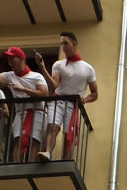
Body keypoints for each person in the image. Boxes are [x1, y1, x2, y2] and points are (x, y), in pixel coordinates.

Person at [0, 48, 49, 162]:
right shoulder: (9, 76)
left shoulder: (36, 77)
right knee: (18, 141)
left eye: (12, 58)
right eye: (8, 59)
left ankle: (31, 169)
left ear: (21, 59)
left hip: (37, 112)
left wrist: (23, 89)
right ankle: (17, 168)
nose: (9, 62)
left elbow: (44, 93)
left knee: (34, 141)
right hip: (20, 113)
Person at [36, 32, 98, 162]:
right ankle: (47, 152)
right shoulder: (58, 64)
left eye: (65, 43)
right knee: (53, 127)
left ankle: (66, 161)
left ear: (74, 43)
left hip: (74, 104)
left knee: (69, 135)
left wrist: (84, 100)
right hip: (57, 100)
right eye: (61, 43)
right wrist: (42, 68)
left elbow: (94, 94)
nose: (63, 46)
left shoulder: (88, 68)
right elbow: (54, 85)